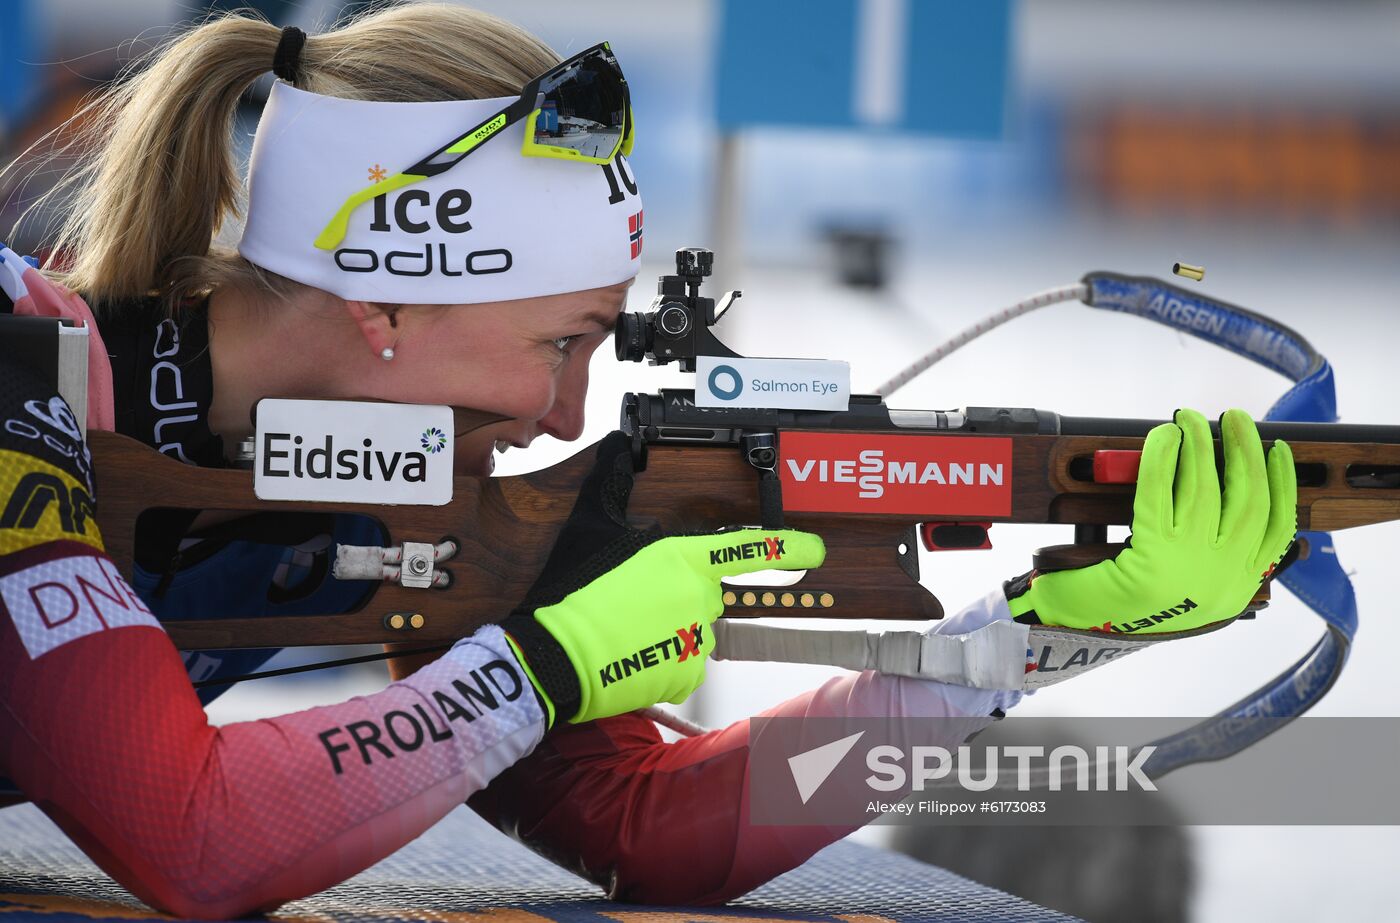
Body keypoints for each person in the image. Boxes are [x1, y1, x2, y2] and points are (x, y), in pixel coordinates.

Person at [0, 4, 1297, 918]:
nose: (570, 415)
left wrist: (1027, 642)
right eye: (559, 343)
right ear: (385, 306)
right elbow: (192, 837)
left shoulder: (421, 493)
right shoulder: (21, 373)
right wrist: (542, 668)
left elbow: (653, 835)